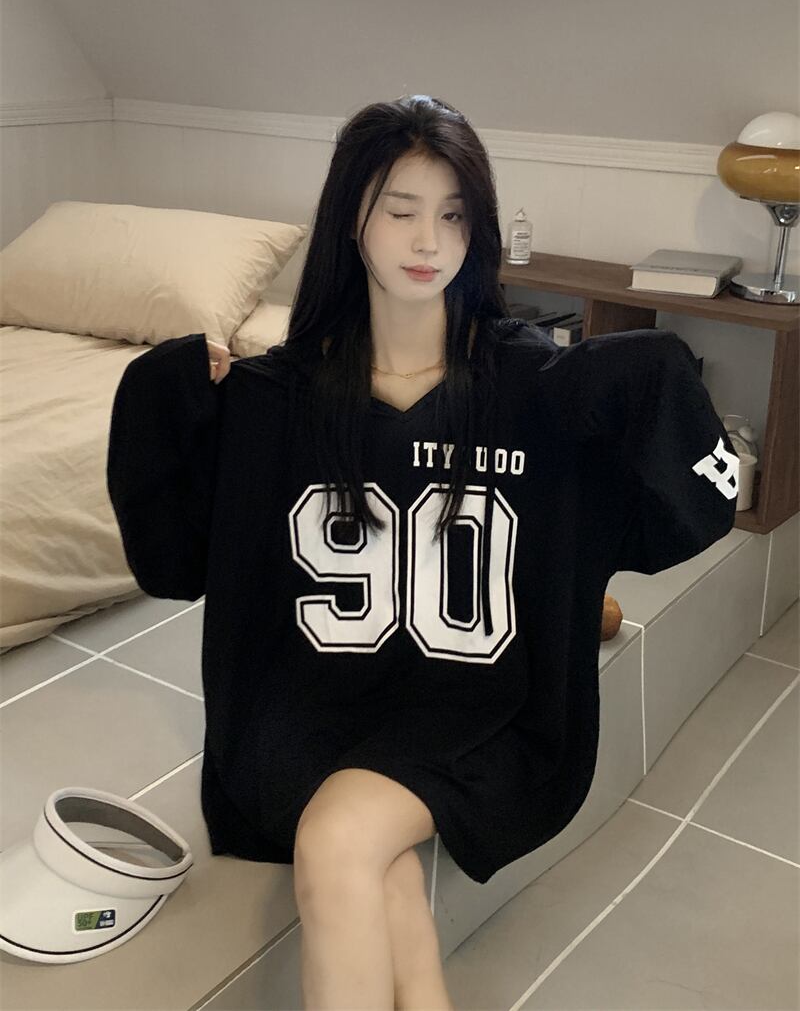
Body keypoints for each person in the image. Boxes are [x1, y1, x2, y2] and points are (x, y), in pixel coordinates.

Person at [107, 95, 740, 1011]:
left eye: (453, 214)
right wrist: (172, 392)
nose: (427, 240)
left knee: (340, 838)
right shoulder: (280, 398)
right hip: (309, 703)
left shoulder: (531, 386)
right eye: (400, 209)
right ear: (351, 219)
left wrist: (646, 376)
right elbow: (170, 558)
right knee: (384, 870)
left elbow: (689, 501)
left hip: (476, 709)